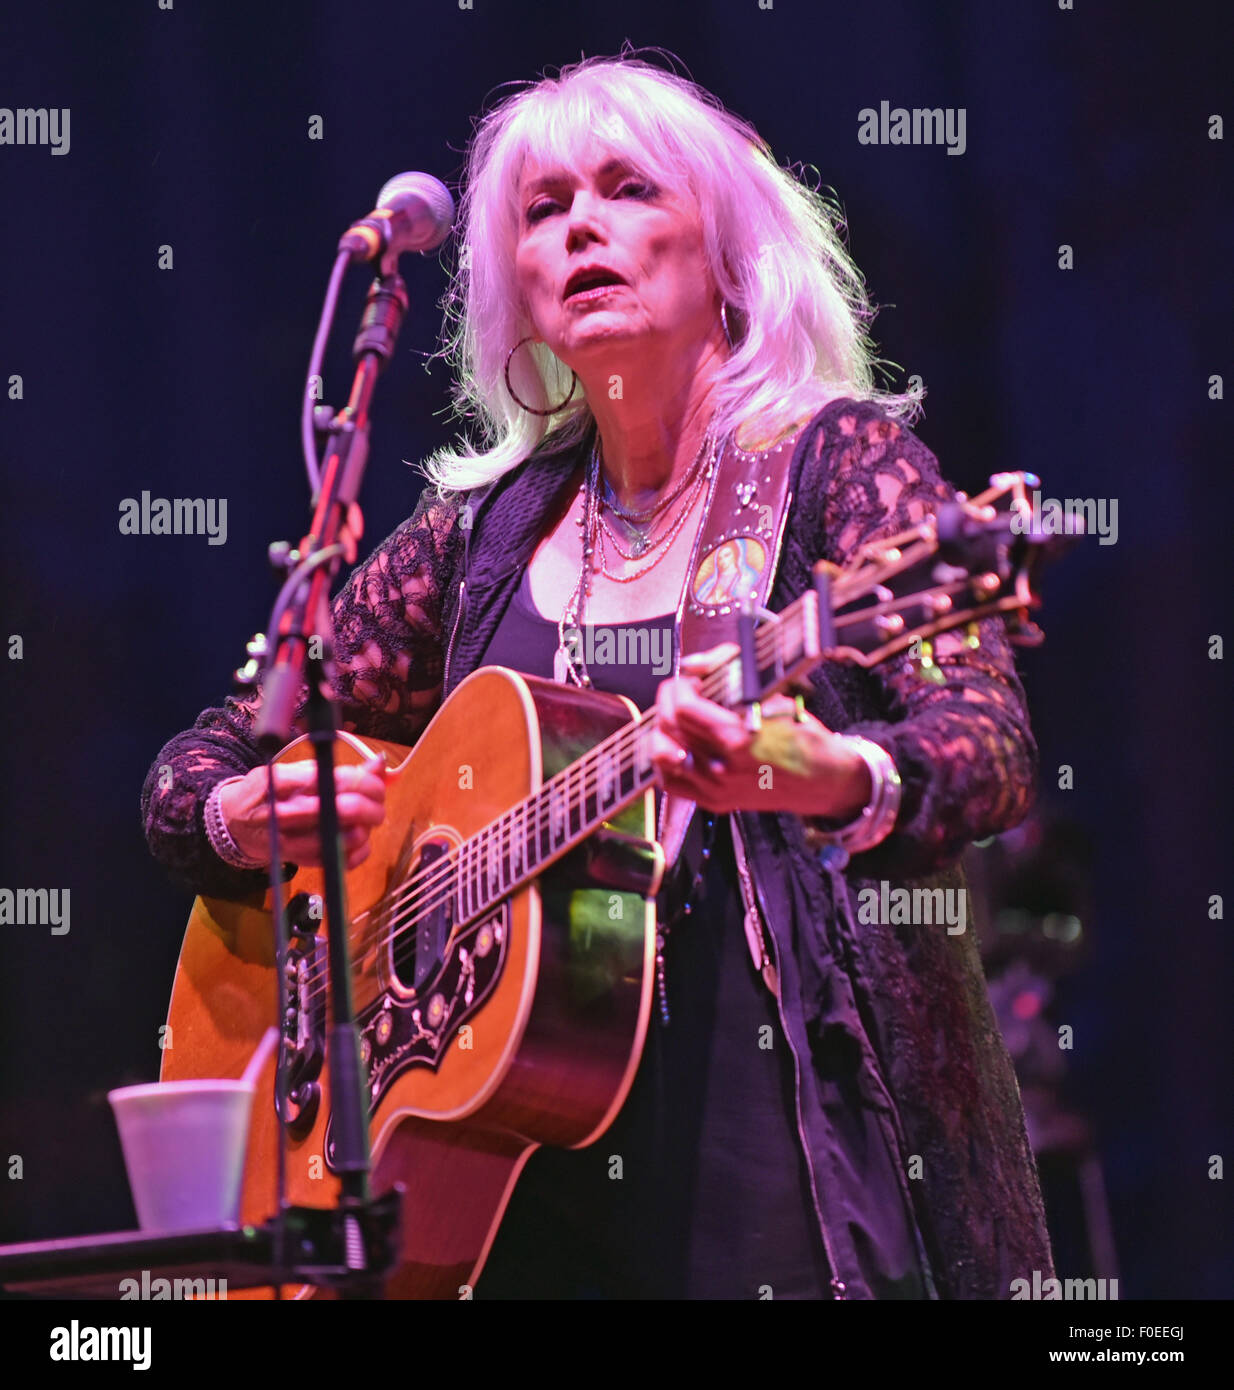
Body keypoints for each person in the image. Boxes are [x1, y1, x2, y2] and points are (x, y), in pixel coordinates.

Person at [142, 51, 1055, 1299]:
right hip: (501, 1187)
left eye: (628, 190)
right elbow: (216, 751)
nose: (582, 228)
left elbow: (990, 743)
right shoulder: (480, 536)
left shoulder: (832, 469)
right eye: (543, 208)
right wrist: (236, 814)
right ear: (511, 283)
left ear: (726, 253)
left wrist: (830, 773)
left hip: (777, 1159)